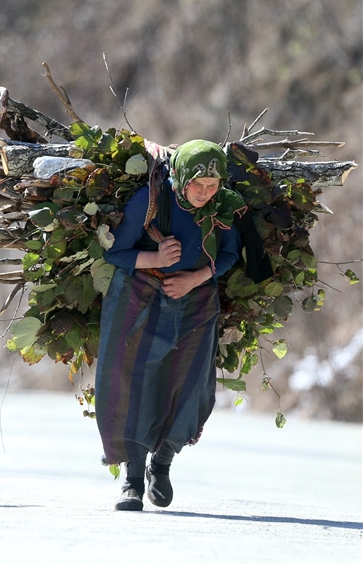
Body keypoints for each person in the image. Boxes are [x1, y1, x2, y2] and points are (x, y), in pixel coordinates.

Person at [95, 139, 246, 511]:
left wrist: (193, 280)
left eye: (213, 186)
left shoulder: (222, 208)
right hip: (142, 294)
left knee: (189, 382)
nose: (206, 193)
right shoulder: (150, 202)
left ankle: (161, 464)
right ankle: (131, 480)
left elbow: (229, 254)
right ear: (181, 177)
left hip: (194, 300)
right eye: (199, 185)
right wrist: (155, 256)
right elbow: (114, 251)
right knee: (132, 379)